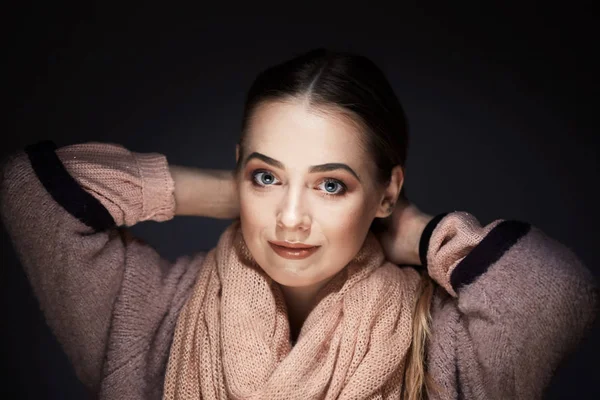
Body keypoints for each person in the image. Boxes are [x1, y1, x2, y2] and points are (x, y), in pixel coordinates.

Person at [0, 48, 597, 400]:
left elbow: (556, 292)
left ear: (386, 190)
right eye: (267, 175)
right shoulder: (153, 314)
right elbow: (30, 189)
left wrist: (411, 229)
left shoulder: (436, 346)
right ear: (240, 169)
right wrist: (233, 195)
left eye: (331, 184)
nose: (290, 218)